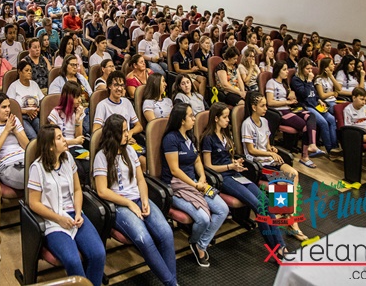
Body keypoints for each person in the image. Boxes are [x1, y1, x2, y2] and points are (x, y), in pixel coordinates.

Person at [94, 115, 177, 286]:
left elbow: (140, 180)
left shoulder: (130, 151)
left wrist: (145, 200)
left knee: (166, 232)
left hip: (138, 198)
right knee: (144, 238)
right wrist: (129, 203)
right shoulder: (101, 156)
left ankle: (172, 282)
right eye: (124, 131)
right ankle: (171, 283)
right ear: (113, 134)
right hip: (120, 205)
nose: (128, 134)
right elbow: (102, 191)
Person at [201, 102, 289, 259]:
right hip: (224, 178)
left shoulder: (225, 136)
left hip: (235, 173)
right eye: (225, 117)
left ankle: (281, 245)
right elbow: (208, 166)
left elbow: (229, 157)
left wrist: (236, 163)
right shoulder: (208, 138)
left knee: (266, 203)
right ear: (216, 118)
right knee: (258, 206)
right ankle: (275, 249)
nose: (228, 120)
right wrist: (230, 166)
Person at [28, 125, 105, 286]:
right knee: (73, 261)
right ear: (50, 146)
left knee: (98, 254)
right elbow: (33, 203)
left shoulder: (68, 158)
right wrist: (59, 219)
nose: (65, 140)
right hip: (53, 221)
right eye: (59, 138)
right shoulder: (37, 167)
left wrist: (78, 212)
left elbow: (77, 189)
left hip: (74, 215)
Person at [161, 103, 229, 267]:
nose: (194, 118)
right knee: (203, 219)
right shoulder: (171, 139)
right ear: (181, 120)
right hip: (177, 187)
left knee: (223, 209)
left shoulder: (189, 136)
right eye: (191, 116)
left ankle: (199, 244)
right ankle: (196, 243)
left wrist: (203, 177)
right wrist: (195, 184)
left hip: (196, 183)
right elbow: (175, 170)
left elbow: (197, 160)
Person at [242, 91, 308, 242]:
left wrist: (271, 149)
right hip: (258, 164)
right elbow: (251, 150)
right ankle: (292, 223)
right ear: (254, 107)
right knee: (284, 182)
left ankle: (289, 216)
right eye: (262, 106)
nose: (266, 108)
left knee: (293, 174)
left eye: (266, 105)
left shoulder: (264, 121)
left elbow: (266, 144)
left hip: (270, 161)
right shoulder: (247, 124)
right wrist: (269, 153)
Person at [265, 61, 321, 167]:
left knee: (311, 116)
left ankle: (312, 144)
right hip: (279, 112)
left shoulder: (284, 84)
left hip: (289, 109)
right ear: (278, 71)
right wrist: (287, 102)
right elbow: (270, 102)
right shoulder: (271, 83)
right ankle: (305, 157)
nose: (287, 72)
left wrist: (291, 96)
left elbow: (289, 97)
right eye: (284, 69)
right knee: (305, 126)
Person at [291, 58, 339, 158]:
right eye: (307, 69)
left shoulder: (309, 78)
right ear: (301, 68)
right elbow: (304, 94)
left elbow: (314, 93)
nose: (310, 71)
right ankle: (330, 150)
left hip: (315, 104)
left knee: (332, 119)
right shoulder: (296, 80)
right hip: (306, 106)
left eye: (311, 69)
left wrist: (319, 100)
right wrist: (309, 81)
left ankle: (335, 147)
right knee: (323, 123)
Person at [7, 60, 45, 140]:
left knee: (44, 134)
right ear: (19, 72)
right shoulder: (14, 86)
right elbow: (11, 106)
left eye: (30, 71)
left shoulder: (34, 84)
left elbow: (43, 101)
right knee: (33, 137)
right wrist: (26, 111)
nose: (29, 72)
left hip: (35, 116)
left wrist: (38, 109)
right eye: (26, 70)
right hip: (21, 117)